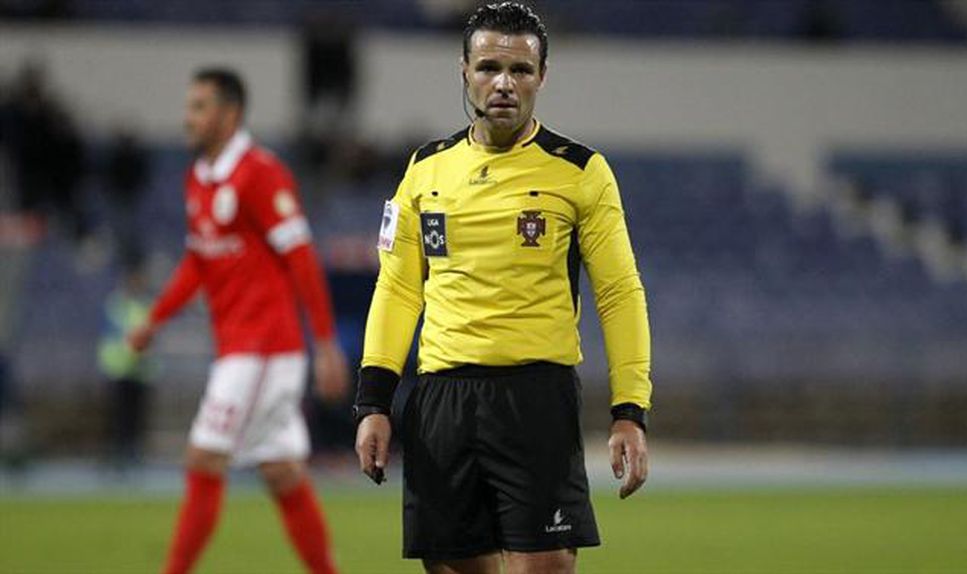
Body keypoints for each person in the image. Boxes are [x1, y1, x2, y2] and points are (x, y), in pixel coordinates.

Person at [353, 3, 652, 573]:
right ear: (464, 70)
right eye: (489, 67)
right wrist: (373, 403)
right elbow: (398, 289)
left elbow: (620, 293)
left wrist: (630, 410)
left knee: (545, 566)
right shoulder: (425, 169)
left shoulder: (580, 171)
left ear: (542, 76)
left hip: (535, 398)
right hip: (441, 400)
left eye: (520, 70)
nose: (504, 84)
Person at [127, 68, 349, 574]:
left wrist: (325, 343)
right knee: (282, 472)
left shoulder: (259, 173)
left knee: (204, 457)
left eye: (199, 107)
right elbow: (198, 261)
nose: (188, 117)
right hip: (242, 347)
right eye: (190, 106)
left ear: (229, 115)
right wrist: (154, 320)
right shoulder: (199, 178)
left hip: (263, 348)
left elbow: (302, 257)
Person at [98, 263, 153, 469]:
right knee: (118, 415)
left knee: (136, 416)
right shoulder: (117, 304)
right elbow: (116, 334)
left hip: (141, 371)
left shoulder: (145, 305)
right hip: (119, 368)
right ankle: (118, 454)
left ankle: (132, 453)